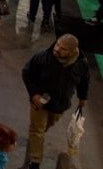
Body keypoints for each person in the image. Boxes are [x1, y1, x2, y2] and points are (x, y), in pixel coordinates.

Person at [22, 34, 89, 169]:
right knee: (37, 130)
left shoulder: (81, 63)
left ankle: (36, 141)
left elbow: (84, 81)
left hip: (60, 105)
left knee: (44, 128)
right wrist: (34, 94)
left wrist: (83, 97)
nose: (57, 49)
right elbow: (27, 73)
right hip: (40, 103)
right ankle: (35, 162)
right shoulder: (42, 57)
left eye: (63, 48)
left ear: (72, 51)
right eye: (57, 44)